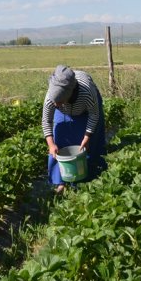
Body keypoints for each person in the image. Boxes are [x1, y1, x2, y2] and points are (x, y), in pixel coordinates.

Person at [42, 65, 107, 193]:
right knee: (58, 141)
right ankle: (60, 182)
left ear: (68, 95)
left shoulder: (87, 92)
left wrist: (87, 137)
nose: (56, 105)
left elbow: (94, 115)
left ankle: (86, 179)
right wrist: (51, 144)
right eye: (55, 101)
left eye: (59, 101)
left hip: (86, 110)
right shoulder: (52, 97)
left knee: (86, 145)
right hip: (66, 109)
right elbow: (46, 120)